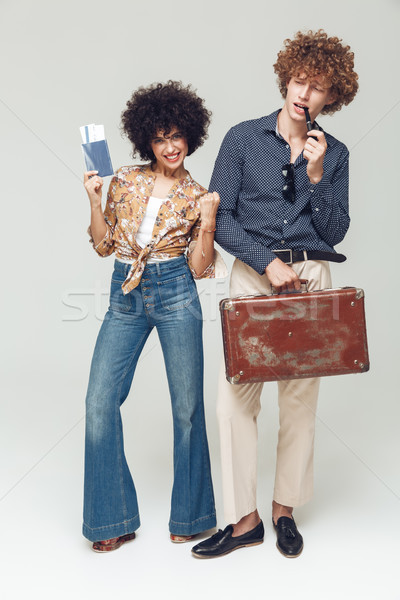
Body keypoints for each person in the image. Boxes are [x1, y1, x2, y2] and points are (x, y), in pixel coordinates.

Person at [192, 30, 359, 559]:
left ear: (332, 96)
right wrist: (265, 262)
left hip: (311, 276)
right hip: (251, 274)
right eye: (300, 80)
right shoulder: (242, 138)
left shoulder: (336, 154)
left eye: (319, 87)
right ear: (286, 79)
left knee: (300, 398)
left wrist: (314, 176)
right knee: (234, 399)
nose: (305, 93)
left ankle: (285, 510)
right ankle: (244, 521)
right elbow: (219, 217)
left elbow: (334, 230)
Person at [82, 81, 225, 552]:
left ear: (191, 138)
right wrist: (93, 197)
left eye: (178, 137)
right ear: (148, 139)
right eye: (161, 137)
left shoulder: (199, 194)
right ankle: (112, 519)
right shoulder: (122, 179)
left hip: (176, 292)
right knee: (100, 402)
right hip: (125, 291)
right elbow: (104, 245)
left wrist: (207, 221)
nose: (170, 147)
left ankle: (193, 515)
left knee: (186, 408)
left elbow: (201, 269)